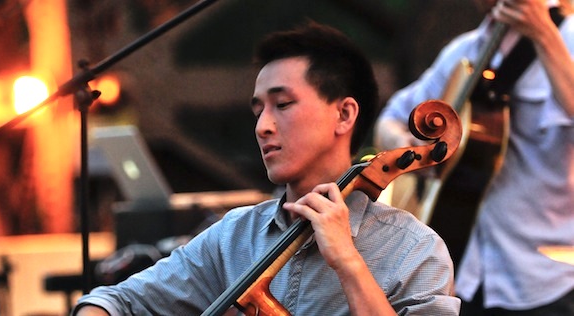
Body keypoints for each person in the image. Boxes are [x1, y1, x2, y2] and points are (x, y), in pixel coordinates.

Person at [72, 22, 460, 316]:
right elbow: (117, 299)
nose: (263, 126)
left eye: (283, 104)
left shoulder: (414, 251)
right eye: (258, 109)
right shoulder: (233, 238)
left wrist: (347, 260)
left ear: (344, 114)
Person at [374, 0, 574, 314]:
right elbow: (390, 118)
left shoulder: (569, 38)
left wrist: (544, 35)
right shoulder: (464, 50)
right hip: (459, 271)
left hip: (543, 278)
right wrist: (411, 153)